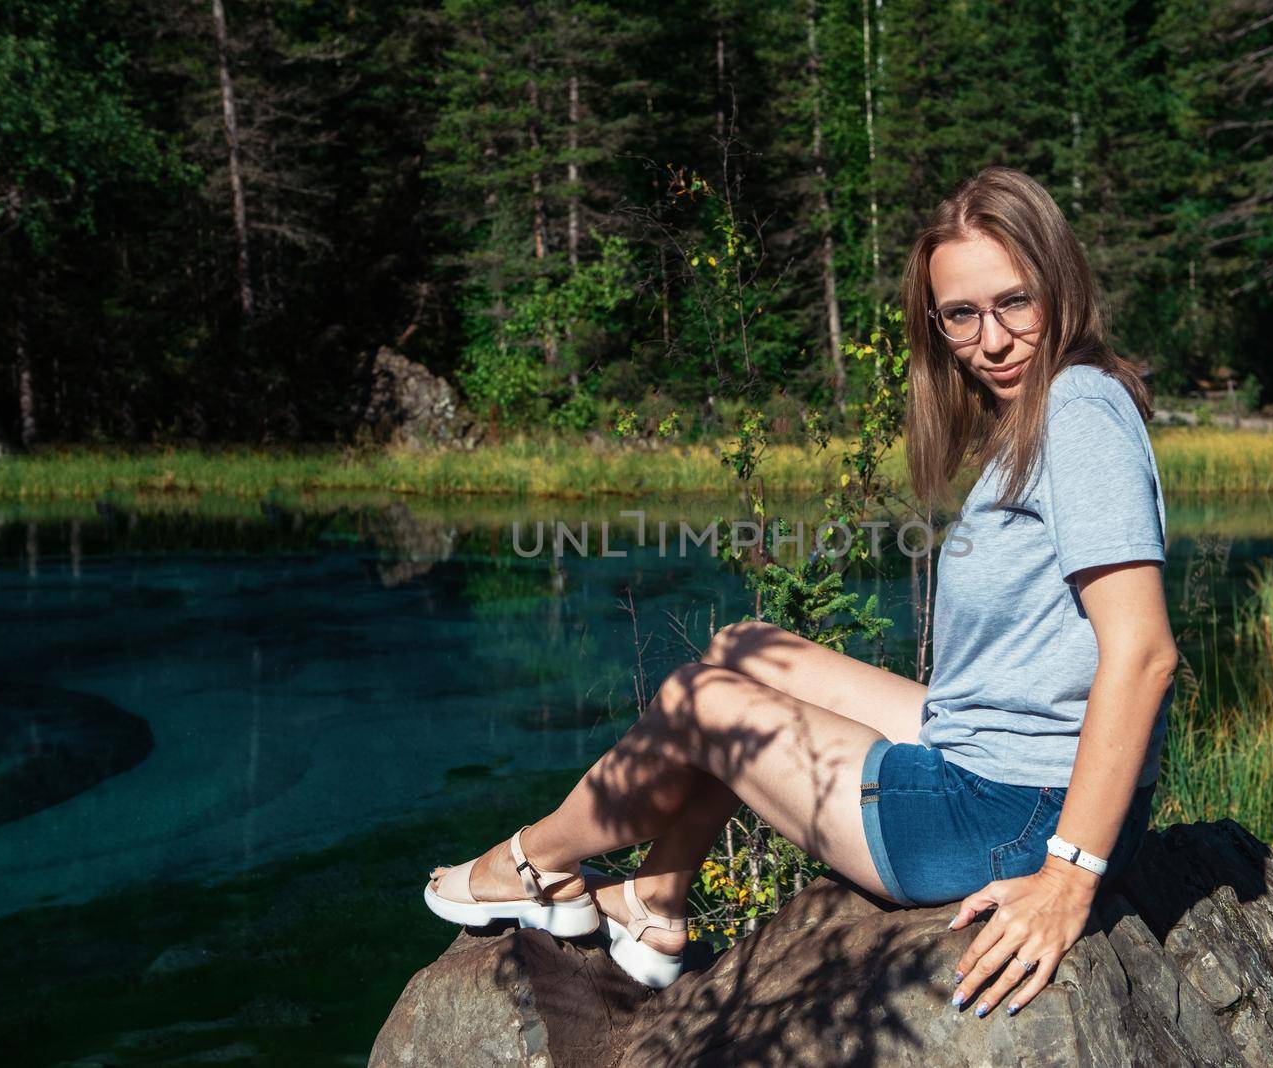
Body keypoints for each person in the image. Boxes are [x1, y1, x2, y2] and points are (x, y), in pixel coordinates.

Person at [424, 164, 1178, 1018]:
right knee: (746, 650)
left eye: (1015, 303)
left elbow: (1144, 652)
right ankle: (655, 905)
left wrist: (1067, 877)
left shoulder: (1078, 410)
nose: (991, 340)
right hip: (1000, 759)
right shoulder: (1036, 414)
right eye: (961, 315)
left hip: (1010, 813)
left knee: (707, 704)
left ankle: (529, 862)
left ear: (1061, 284)